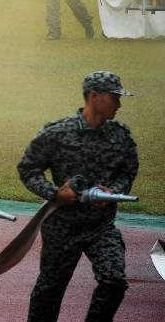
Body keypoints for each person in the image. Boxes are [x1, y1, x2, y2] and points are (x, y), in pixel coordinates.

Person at [17, 70, 138, 322]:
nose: (119, 103)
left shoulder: (120, 135)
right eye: (114, 97)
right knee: (49, 290)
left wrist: (114, 191)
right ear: (94, 96)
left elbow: (127, 172)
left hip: (101, 227)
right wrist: (55, 193)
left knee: (114, 281)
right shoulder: (57, 133)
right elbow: (28, 169)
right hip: (62, 226)